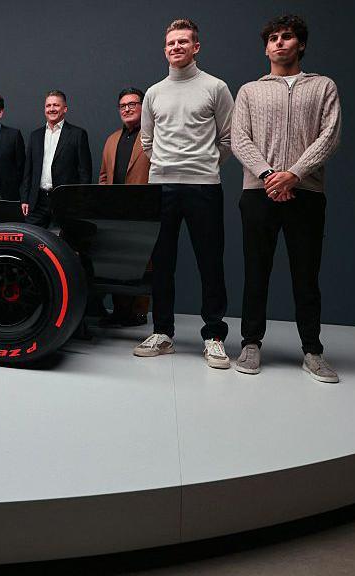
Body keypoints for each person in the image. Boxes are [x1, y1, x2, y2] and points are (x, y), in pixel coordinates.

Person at [231, 14, 342, 383]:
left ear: (301, 44)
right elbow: (238, 138)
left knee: (306, 275)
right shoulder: (249, 90)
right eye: (273, 38)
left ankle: (312, 350)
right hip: (258, 193)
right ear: (266, 48)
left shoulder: (323, 86)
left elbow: (329, 135)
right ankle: (250, 343)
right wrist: (267, 176)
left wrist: (293, 174)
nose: (280, 42)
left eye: (287, 36)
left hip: (306, 193)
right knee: (255, 272)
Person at [134, 19, 234, 369]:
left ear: (196, 47)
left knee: (210, 261)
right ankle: (162, 332)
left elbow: (228, 139)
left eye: (183, 42)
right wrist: (168, 166)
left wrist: (202, 164)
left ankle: (214, 336)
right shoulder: (154, 92)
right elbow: (147, 141)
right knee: (162, 263)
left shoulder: (216, 87)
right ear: (165, 49)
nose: (176, 47)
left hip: (204, 186)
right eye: (171, 43)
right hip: (162, 186)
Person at [98, 87, 150, 327]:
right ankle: (119, 311)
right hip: (114, 212)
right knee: (117, 262)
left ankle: (139, 312)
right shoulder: (111, 139)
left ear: (143, 106)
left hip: (143, 211)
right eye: (123, 106)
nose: (127, 109)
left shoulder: (153, 135)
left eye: (133, 104)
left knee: (144, 262)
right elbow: (103, 176)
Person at [20, 90, 92, 227]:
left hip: (66, 201)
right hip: (37, 201)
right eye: (48, 106)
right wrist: (25, 199)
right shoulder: (35, 136)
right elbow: (28, 171)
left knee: (65, 243)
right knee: (33, 243)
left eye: (56, 105)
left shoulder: (77, 134)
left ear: (65, 109)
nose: (51, 109)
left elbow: (85, 172)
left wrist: (80, 202)